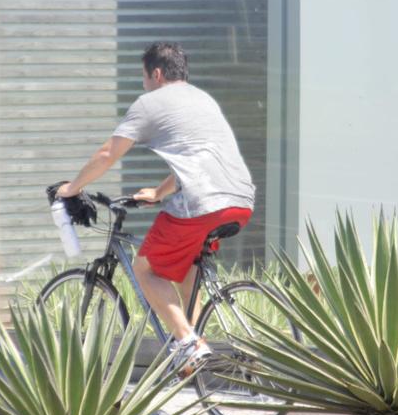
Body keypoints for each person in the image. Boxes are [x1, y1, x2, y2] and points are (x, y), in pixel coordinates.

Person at [55, 42, 255, 377]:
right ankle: (192, 351)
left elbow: (108, 154)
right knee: (188, 270)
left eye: (144, 77)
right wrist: (160, 192)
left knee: (145, 269)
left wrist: (71, 189)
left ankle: (189, 342)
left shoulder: (150, 103)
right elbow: (198, 159)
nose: (144, 84)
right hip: (239, 201)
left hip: (202, 205)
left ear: (157, 73)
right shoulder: (203, 99)